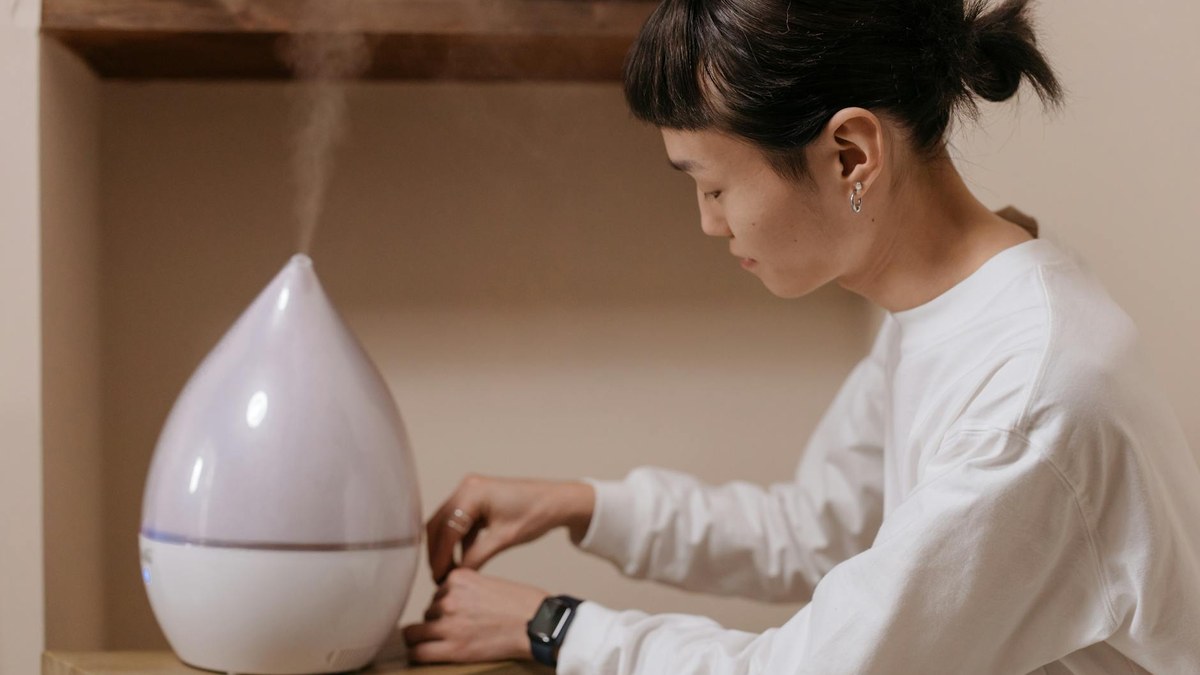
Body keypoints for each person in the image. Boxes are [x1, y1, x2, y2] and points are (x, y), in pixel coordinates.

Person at [401, 0, 1200, 672]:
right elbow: (820, 528)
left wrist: (557, 626)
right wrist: (580, 505)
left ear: (851, 154)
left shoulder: (1028, 395)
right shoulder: (950, 305)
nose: (709, 224)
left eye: (714, 186)